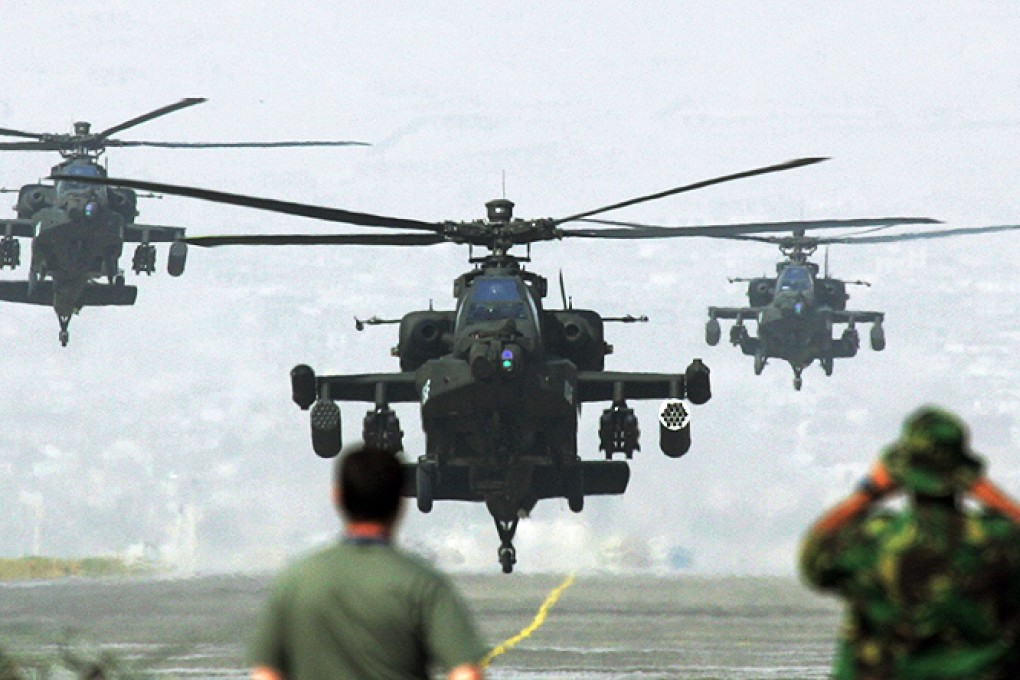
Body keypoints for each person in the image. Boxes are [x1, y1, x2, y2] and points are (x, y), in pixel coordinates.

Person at [800, 405, 1020, 679]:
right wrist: (984, 489)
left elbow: (814, 554)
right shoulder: (998, 543)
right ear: (963, 472)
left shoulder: (872, 541)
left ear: (900, 471)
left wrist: (869, 490)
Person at [249, 444, 487, 680]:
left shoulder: (295, 580)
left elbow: (264, 674)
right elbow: (466, 673)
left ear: (338, 497)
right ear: (400, 501)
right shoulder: (423, 583)